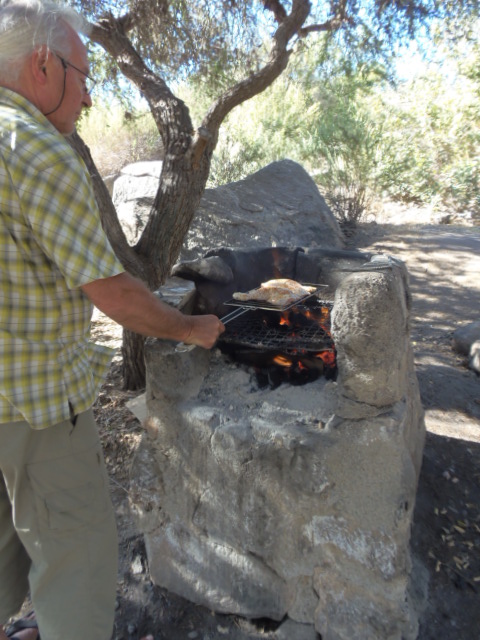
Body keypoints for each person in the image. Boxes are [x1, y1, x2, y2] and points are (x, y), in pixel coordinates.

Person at [0, 1, 224, 639]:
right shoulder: (36, 146)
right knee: (76, 559)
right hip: (32, 403)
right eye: (84, 73)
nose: (92, 95)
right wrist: (191, 329)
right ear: (44, 64)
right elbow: (114, 292)